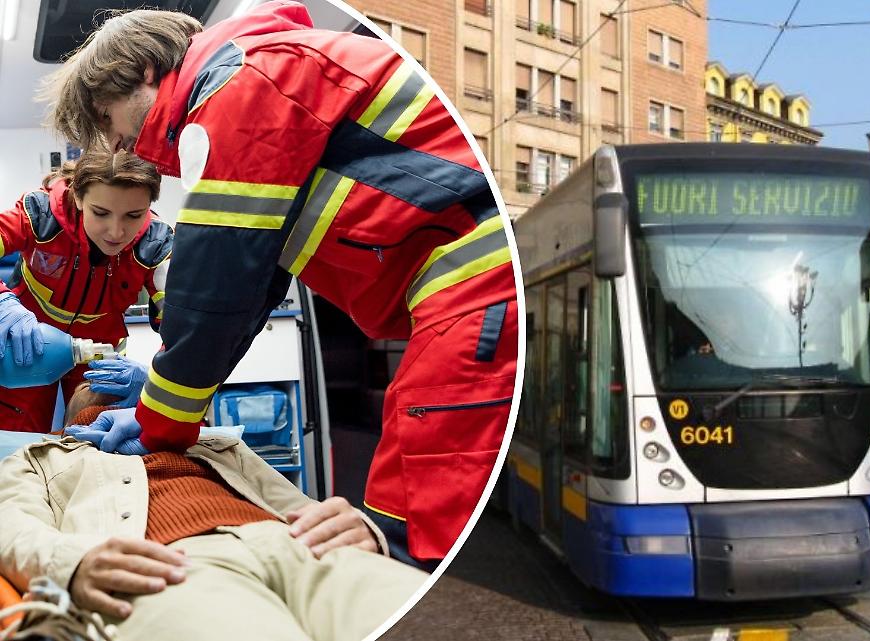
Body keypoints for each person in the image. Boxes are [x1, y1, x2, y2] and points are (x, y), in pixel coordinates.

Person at [44, 0, 518, 566]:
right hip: (457, 288)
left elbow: (216, 285)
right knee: (403, 513)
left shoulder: (243, 86)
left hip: (469, 283)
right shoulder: (262, 74)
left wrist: (159, 420)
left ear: (144, 73)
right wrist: (160, 407)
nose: (118, 144)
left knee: (411, 521)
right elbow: (247, 287)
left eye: (106, 119)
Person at [0, 383, 426, 641]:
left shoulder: (217, 445)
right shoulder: (42, 457)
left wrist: (365, 529)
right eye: (97, 405)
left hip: (297, 544)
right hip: (163, 565)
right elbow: (10, 526)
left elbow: (302, 508)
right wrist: (75, 564)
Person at [0, 150, 171, 433]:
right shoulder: (39, 215)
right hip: (27, 342)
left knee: (94, 434)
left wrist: (158, 379)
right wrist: (3, 301)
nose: (116, 232)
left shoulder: (157, 246)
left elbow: (186, 325)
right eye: (101, 213)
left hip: (99, 354)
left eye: (134, 215)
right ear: (78, 197)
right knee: (16, 439)